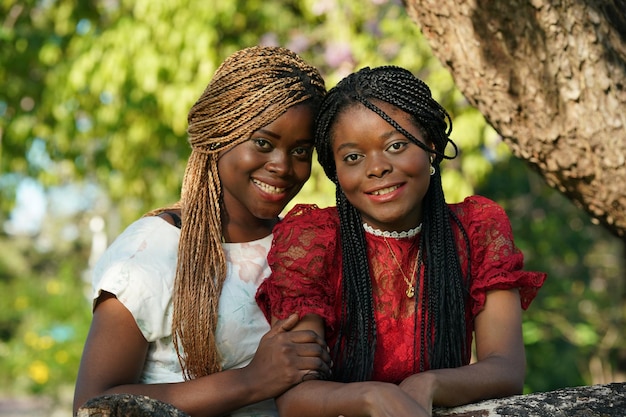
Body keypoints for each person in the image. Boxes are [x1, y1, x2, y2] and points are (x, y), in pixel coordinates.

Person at [256, 65, 547, 417]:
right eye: (353, 157)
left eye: (395, 145)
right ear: (336, 172)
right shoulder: (314, 241)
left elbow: (506, 368)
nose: (376, 167)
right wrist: (372, 397)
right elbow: (294, 395)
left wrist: (428, 384)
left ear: (432, 147)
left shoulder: (478, 231)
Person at [73, 45, 331, 417]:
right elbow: (92, 405)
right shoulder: (151, 250)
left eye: (301, 151)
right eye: (263, 143)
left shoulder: (300, 248)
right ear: (219, 133)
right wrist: (252, 381)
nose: (282, 165)